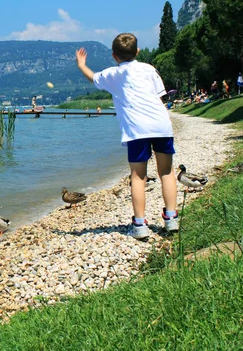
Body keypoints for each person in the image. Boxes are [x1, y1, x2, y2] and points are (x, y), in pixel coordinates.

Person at [76, 33, 178, 240]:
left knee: (138, 176)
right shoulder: (149, 69)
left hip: (137, 129)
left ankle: (139, 224)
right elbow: (160, 95)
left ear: (114, 56)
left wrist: (81, 64)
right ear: (137, 52)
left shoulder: (113, 74)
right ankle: (171, 218)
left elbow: (93, 77)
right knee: (166, 172)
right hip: (161, 125)